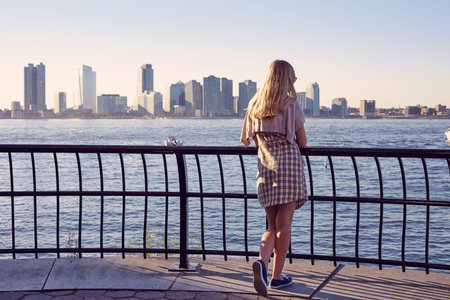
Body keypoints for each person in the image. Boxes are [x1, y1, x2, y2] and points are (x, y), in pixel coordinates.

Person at [240, 60, 308, 296]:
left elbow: (252, 140)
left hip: (266, 169)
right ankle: (277, 278)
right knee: (285, 225)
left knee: (271, 225)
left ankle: (262, 262)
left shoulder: (255, 103)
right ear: (287, 79)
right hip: (288, 167)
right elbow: (302, 142)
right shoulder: (290, 104)